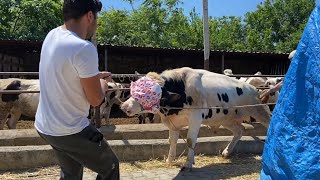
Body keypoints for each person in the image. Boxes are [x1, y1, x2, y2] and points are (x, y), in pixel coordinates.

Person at [34, 0, 119, 179]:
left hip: (45, 126)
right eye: (97, 18)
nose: (96, 23)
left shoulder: (53, 35)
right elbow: (96, 100)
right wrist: (104, 84)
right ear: (89, 16)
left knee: (71, 172)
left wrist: (94, 75)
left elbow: (68, 73)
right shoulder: (83, 48)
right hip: (70, 129)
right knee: (110, 166)